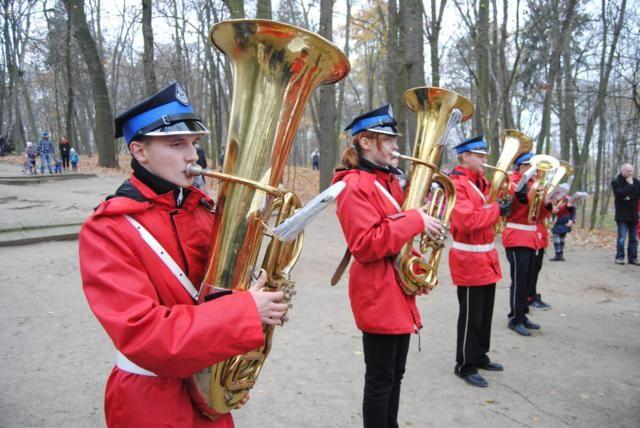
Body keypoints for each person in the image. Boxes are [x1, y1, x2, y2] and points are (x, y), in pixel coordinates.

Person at [78, 82, 287, 427]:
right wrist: (245, 310)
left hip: (208, 389)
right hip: (150, 403)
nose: (192, 155)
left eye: (193, 143)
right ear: (139, 152)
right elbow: (143, 335)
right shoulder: (108, 229)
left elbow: (212, 295)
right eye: (176, 144)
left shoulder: (202, 209)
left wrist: (252, 292)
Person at [332, 105, 444, 428]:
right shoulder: (353, 185)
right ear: (366, 142)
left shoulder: (390, 181)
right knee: (380, 379)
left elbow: (401, 229)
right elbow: (365, 244)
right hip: (377, 291)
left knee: (396, 373)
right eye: (389, 139)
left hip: (396, 288)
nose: (396, 146)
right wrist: (415, 219)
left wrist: (425, 215)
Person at [448, 135, 510, 388]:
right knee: (471, 316)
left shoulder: (482, 182)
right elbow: (466, 221)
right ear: (465, 156)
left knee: (484, 314)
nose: (485, 159)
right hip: (469, 257)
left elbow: (485, 210)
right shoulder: (457, 183)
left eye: (485, 155)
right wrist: (497, 210)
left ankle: (480, 355)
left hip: (485, 256)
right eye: (480, 155)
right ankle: (464, 363)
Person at [501, 152, 543, 336]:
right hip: (517, 237)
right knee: (518, 281)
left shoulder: (535, 184)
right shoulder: (511, 182)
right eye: (532, 167)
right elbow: (509, 207)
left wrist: (548, 205)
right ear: (523, 167)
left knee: (527, 280)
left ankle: (523, 315)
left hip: (531, 238)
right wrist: (519, 192)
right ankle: (515, 318)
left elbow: (538, 216)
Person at [610, 163, 640, 265]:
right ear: (622, 171)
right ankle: (620, 257)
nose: (630, 173)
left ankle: (633, 258)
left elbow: (636, 195)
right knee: (622, 237)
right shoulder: (616, 182)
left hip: (634, 214)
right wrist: (629, 185)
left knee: (634, 238)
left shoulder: (637, 182)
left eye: (631, 171)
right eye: (628, 171)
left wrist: (628, 196)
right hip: (622, 215)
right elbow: (620, 194)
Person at [549, 184, 576, 262]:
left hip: (565, 220)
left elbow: (573, 211)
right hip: (558, 219)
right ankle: (559, 254)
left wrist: (572, 220)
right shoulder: (555, 198)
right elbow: (551, 208)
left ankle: (559, 254)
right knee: (558, 236)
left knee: (560, 237)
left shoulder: (568, 200)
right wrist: (550, 216)